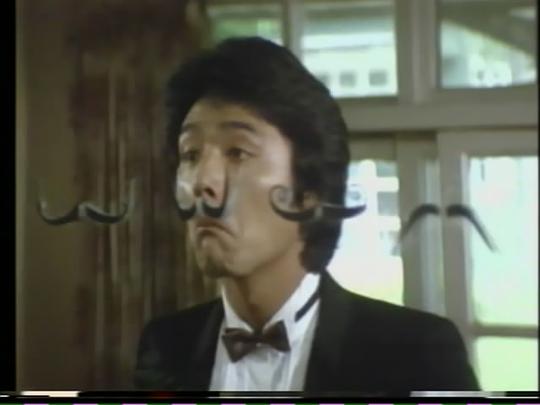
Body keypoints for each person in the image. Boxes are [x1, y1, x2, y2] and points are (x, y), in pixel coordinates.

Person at [134, 36, 480, 395]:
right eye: (190, 155)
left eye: (237, 152)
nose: (201, 182)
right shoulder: (166, 345)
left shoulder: (418, 354)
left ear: (309, 192)